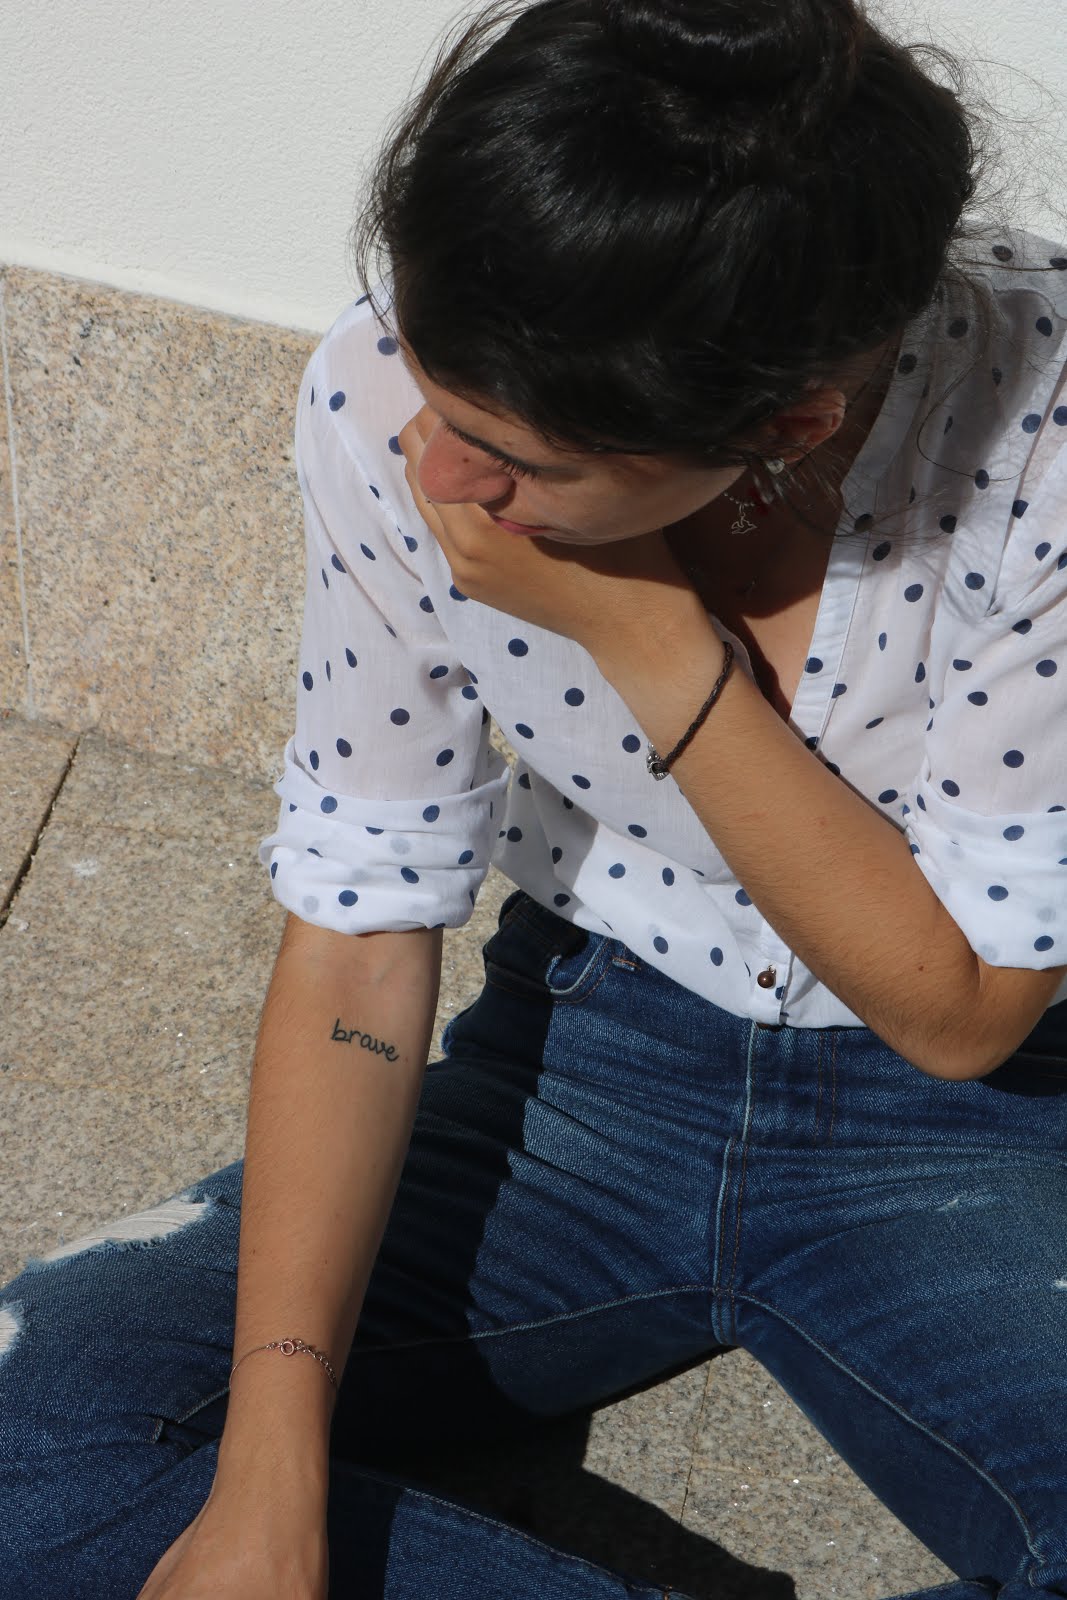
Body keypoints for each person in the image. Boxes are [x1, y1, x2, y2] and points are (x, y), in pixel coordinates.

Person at [2, 0, 1066, 1595]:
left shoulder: (1040, 444)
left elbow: (966, 1010)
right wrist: (268, 1483)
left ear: (788, 424)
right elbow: (361, 927)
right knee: (32, 1431)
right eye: (442, 403)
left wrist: (644, 634)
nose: (442, 476)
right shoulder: (388, 398)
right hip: (591, 1053)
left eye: (523, 460)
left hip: (976, 1123)